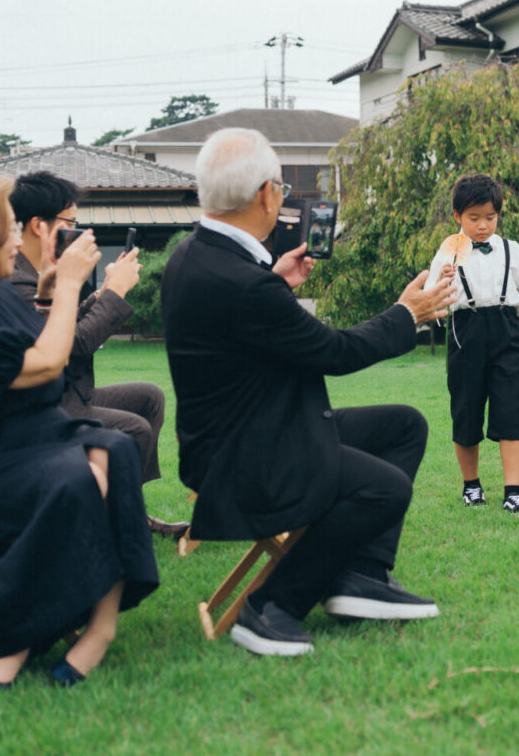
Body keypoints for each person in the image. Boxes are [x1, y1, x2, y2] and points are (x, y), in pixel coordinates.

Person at [163, 128, 455, 657]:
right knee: (385, 488)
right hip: (244, 459)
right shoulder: (243, 284)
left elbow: (241, 321)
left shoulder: (196, 256)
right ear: (265, 195)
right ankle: (272, 606)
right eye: (279, 186)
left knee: (404, 426)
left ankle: (359, 576)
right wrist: (408, 314)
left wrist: (274, 278)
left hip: (250, 432)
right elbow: (334, 353)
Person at [0, 178, 159, 693]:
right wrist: (69, 286)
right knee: (76, 479)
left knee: (116, 448)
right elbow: (45, 363)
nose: (16, 240)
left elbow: (32, 336)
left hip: (43, 433)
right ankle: (17, 637)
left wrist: (47, 293)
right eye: (8, 230)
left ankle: (101, 627)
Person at [6, 171, 185, 538]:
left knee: (148, 397)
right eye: (71, 222)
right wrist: (116, 294)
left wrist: (103, 293)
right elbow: (74, 346)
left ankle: (125, 509)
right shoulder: (16, 280)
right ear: (40, 225)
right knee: (132, 429)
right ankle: (113, 523)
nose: (76, 231)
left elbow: (64, 324)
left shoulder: (38, 273)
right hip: (40, 409)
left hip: (64, 395)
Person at [425, 174, 519, 516]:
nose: (483, 226)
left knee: (511, 409)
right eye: (474, 218)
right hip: (466, 331)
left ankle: (514, 491)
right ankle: (471, 486)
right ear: (458, 216)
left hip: (506, 330)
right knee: (466, 410)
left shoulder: (510, 249)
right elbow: (431, 304)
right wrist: (442, 287)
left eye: (490, 218)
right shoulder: (447, 251)